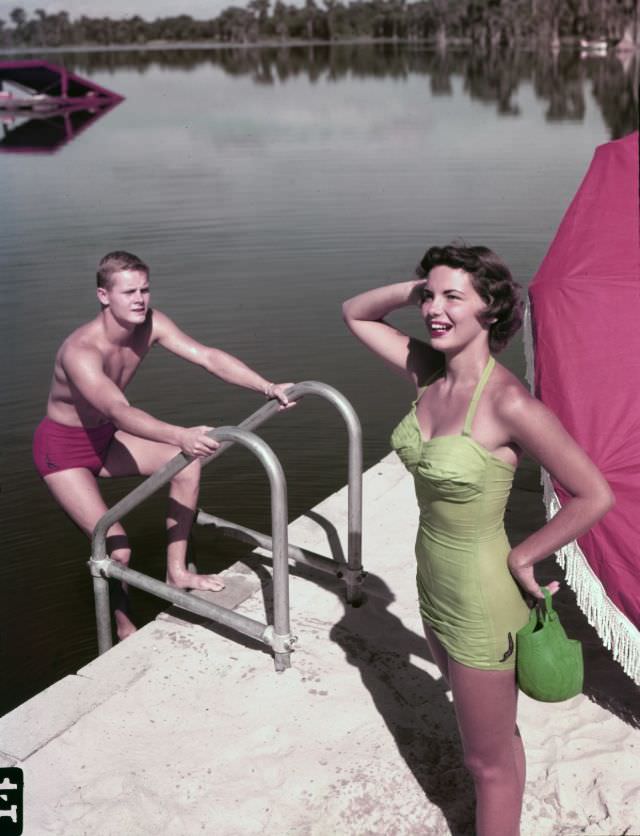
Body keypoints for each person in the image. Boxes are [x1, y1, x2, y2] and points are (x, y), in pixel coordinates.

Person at [342, 243, 613, 836]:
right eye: (428, 296)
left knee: (485, 766)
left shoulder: (509, 402)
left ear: (490, 309)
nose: (433, 310)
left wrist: (526, 554)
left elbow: (594, 494)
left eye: (452, 298)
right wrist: (419, 289)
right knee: (496, 742)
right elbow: (355, 313)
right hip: (432, 583)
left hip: (482, 600)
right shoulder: (428, 372)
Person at [33, 250, 294, 640]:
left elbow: (208, 357)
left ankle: (177, 572)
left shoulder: (151, 324)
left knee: (185, 463)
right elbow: (118, 410)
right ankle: (123, 628)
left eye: (145, 290)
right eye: (129, 292)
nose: (140, 300)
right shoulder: (81, 351)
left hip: (103, 438)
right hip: (63, 452)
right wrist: (180, 434)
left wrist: (268, 387)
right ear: (104, 296)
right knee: (117, 548)